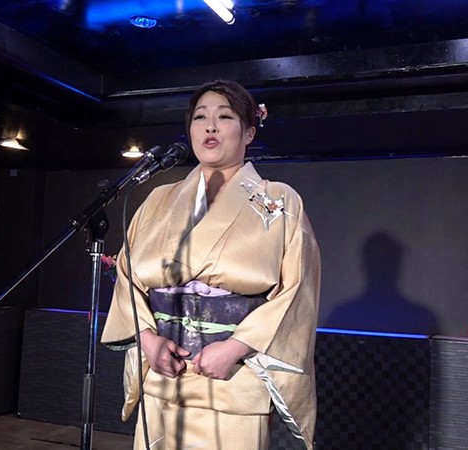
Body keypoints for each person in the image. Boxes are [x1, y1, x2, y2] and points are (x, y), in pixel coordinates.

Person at [101, 80, 321, 450]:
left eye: (225, 117)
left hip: (232, 377)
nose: (211, 127)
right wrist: (148, 339)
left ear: (249, 132)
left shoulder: (279, 200)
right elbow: (127, 276)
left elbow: (299, 288)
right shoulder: (158, 199)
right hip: (164, 375)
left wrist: (236, 346)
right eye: (200, 117)